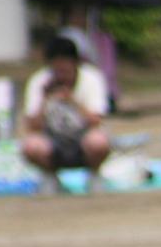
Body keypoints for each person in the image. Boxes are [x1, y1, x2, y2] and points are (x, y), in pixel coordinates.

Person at [22, 35, 111, 193]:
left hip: (83, 140)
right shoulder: (39, 82)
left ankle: (94, 176)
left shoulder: (91, 78)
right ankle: (50, 178)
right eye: (56, 70)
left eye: (65, 70)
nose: (61, 75)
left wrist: (72, 100)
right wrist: (44, 100)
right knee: (31, 145)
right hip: (53, 142)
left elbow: (97, 120)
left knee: (99, 141)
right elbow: (31, 127)